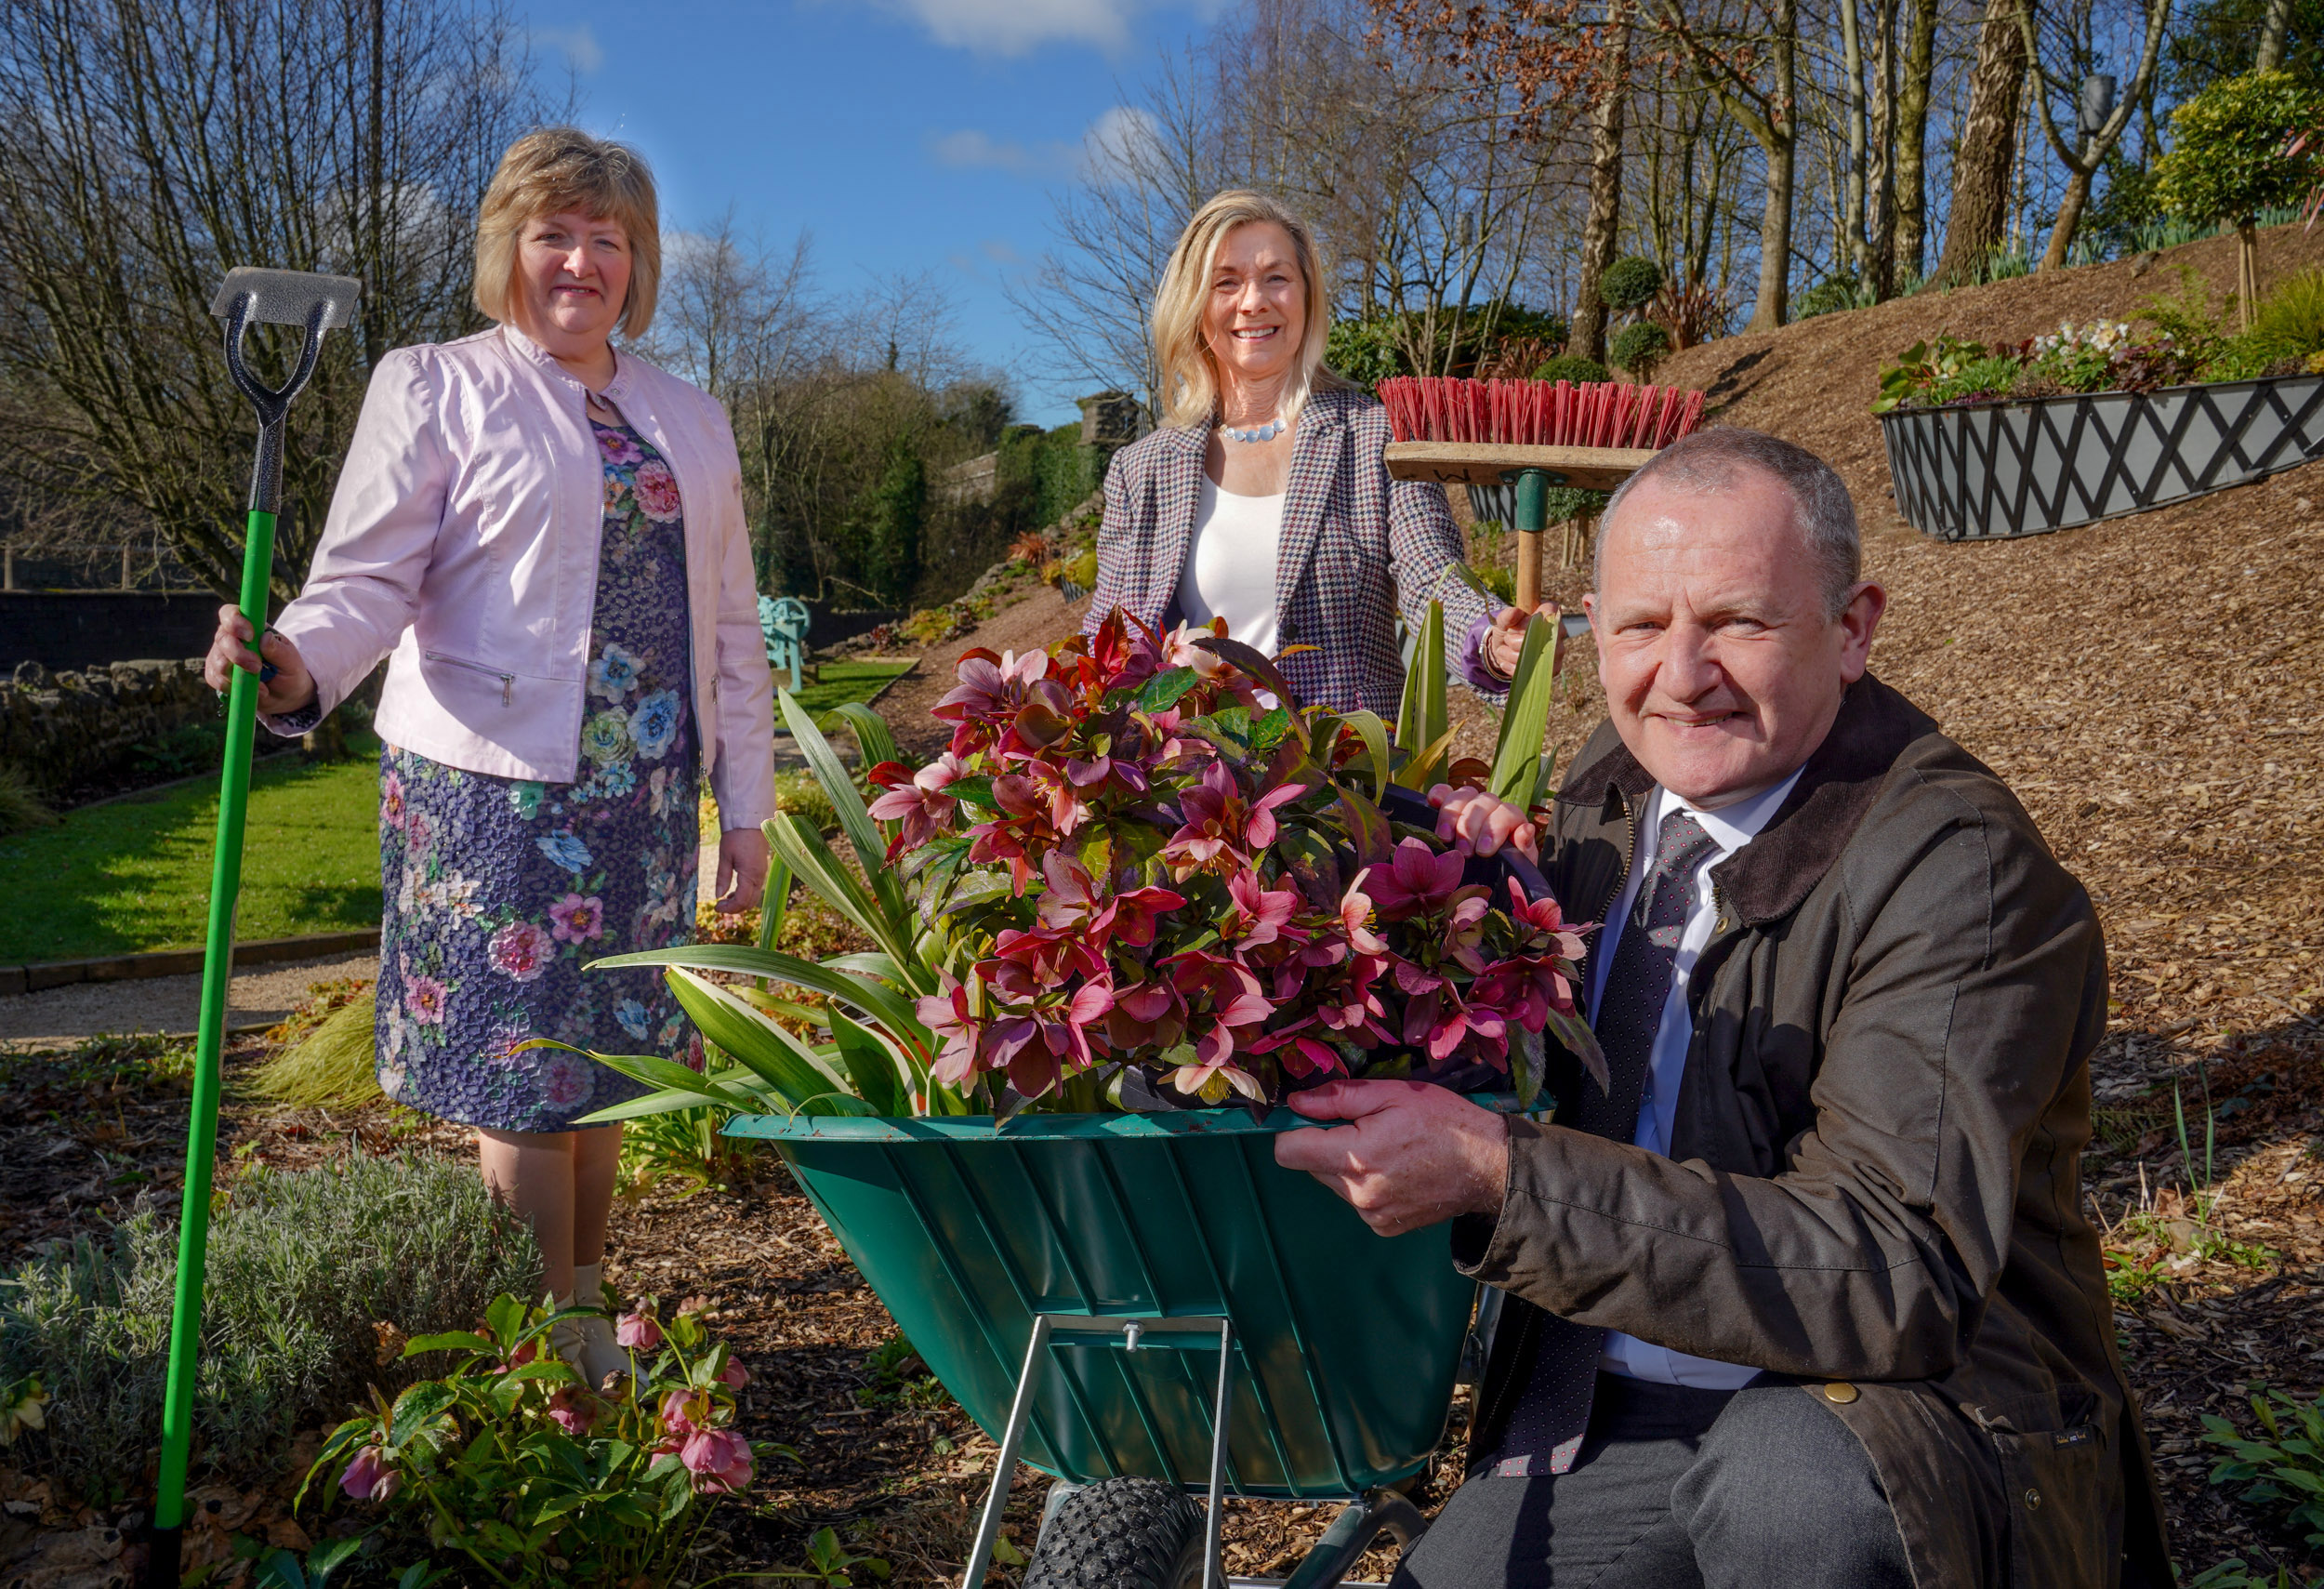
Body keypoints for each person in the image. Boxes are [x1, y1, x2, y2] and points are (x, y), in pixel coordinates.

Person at [1275, 427, 2168, 1587]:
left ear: (1851, 629)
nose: (1681, 673)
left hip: (1913, 1412)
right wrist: (1475, 895)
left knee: (1785, 1496)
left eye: (1738, 621)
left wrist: (1507, 1178)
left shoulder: (1960, 873)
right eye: (1640, 625)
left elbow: (1898, 1272)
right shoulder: (1617, 781)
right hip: (1623, 1393)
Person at [204, 127, 775, 1386]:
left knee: (611, 1064)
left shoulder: (691, 414)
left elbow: (733, 621)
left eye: (607, 238)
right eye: (553, 233)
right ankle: (546, 1347)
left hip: (643, 790)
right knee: (523, 1074)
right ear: (508, 250)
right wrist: (294, 665)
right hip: (492, 790)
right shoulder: (435, 383)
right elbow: (363, 577)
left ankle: (579, 1305)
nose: (580, 260)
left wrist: (747, 807)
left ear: (641, 262)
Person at [1080, 189, 1543, 710]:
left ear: (1307, 295)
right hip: (1200, 781)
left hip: (1349, 776)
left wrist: (1490, 638)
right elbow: (1109, 634)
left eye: (1277, 277)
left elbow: (1431, 573)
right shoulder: (1142, 471)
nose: (1254, 301)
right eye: (1226, 282)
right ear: (1195, 305)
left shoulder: (1377, 437)